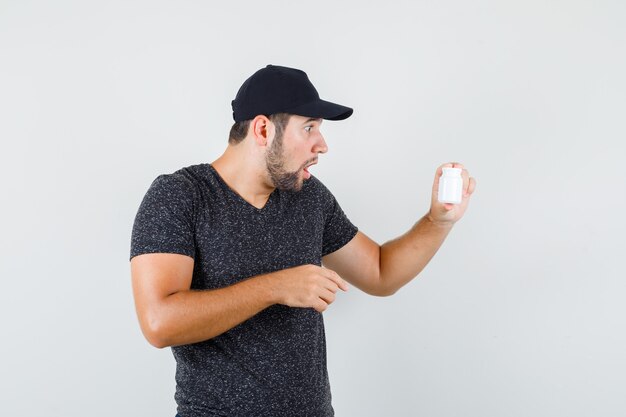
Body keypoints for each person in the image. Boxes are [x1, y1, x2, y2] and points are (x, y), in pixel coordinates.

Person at [129, 64, 476, 417]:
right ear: (263, 129)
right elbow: (159, 322)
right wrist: (276, 287)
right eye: (308, 127)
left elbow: (381, 273)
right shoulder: (180, 196)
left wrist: (438, 220)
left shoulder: (309, 197)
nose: (322, 145)